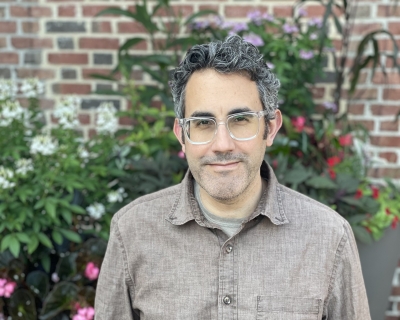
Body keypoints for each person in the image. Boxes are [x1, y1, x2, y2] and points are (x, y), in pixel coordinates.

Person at [94, 35, 370, 320]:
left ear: (270, 128)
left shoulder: (328, 236)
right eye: (203, 123)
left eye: (241, 120)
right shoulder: (132, 232)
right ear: (182, 135)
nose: (223, 144)